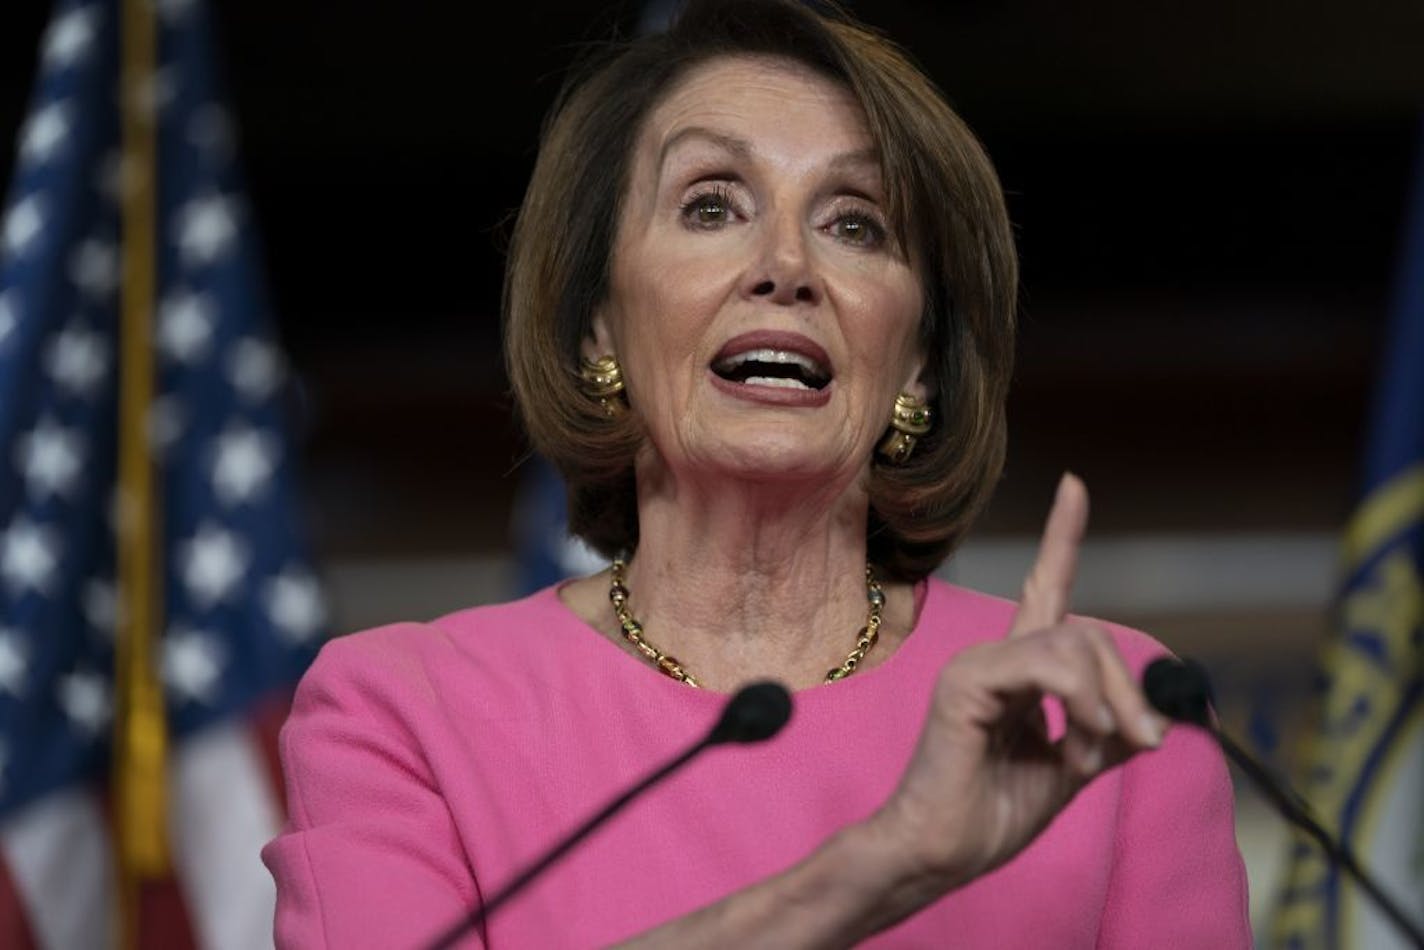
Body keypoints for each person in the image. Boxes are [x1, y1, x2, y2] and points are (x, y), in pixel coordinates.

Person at [261, 1, 1251, 945]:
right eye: (710, 206)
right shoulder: (402, 711)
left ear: (915, 360)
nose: (784, 263)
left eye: (854, 222)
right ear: (598, 321)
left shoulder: (1104, 716)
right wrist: (881, 860)